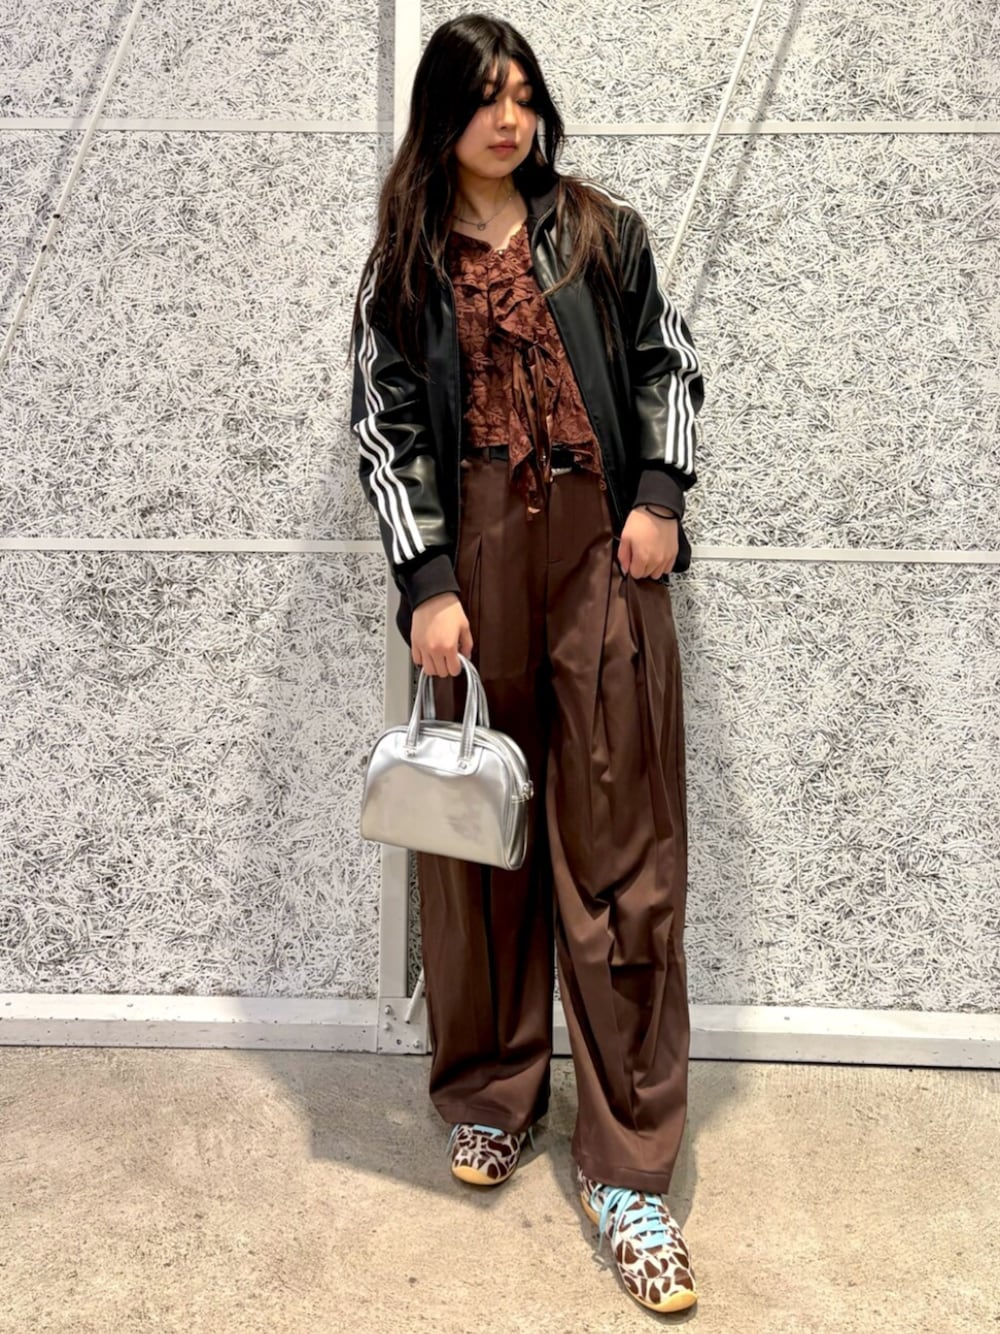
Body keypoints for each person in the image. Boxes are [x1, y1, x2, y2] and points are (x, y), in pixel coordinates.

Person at [349, 13, 704, 1316]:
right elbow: (384, 424)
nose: (509, 119)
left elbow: (671, 364)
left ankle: (630, 1168)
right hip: (476, 563)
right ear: (440, 117)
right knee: (477, 844)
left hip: (602, 552)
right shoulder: (404, 266)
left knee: (621, 854)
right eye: (483, 98)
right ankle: (492, 1094)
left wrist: (658, 495)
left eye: (523, 95)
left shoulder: (602, 233)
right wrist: (426, 582)